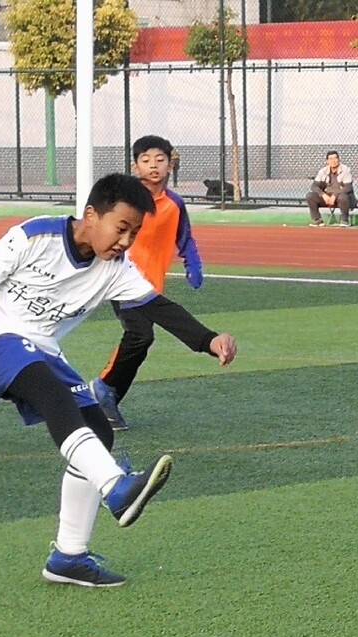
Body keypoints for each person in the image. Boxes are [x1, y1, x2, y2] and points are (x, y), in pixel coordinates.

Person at [0, 173, 238, 587]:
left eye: (134, 233)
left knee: (98, 430)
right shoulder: (34, 236)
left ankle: (68, 556)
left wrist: (208, 340)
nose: (125, 241)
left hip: (42, 347)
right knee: (53, 397)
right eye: (121, 228)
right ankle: (116, 487)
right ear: (91, 215)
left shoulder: (116, 269)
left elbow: (157, 307)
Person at [90, 135, 204, 431]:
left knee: (141, 339)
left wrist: (193, 265)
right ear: (135, 166)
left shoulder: (175, 204)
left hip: (152, 288)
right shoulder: (126, 202)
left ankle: (107, 396)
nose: (153, 166)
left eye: (160, 160)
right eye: (146, 160)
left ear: (170, 165)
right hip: (122, 280)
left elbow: (185, 238)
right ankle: (104, 389)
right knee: (140, 334)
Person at [306, 151, 355, 227]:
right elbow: (314, 186)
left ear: (339, 159)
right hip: (327, 198)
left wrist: (335, 195)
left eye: (335, 158)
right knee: (310, 196)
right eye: (331, 159)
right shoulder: (323, 171)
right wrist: (323, 195)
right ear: (327, 161)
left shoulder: (345, 170)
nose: (333, 161)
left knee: (343, 196)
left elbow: (348, 187)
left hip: (341, 197)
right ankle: (317, 220)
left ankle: (345, 220)